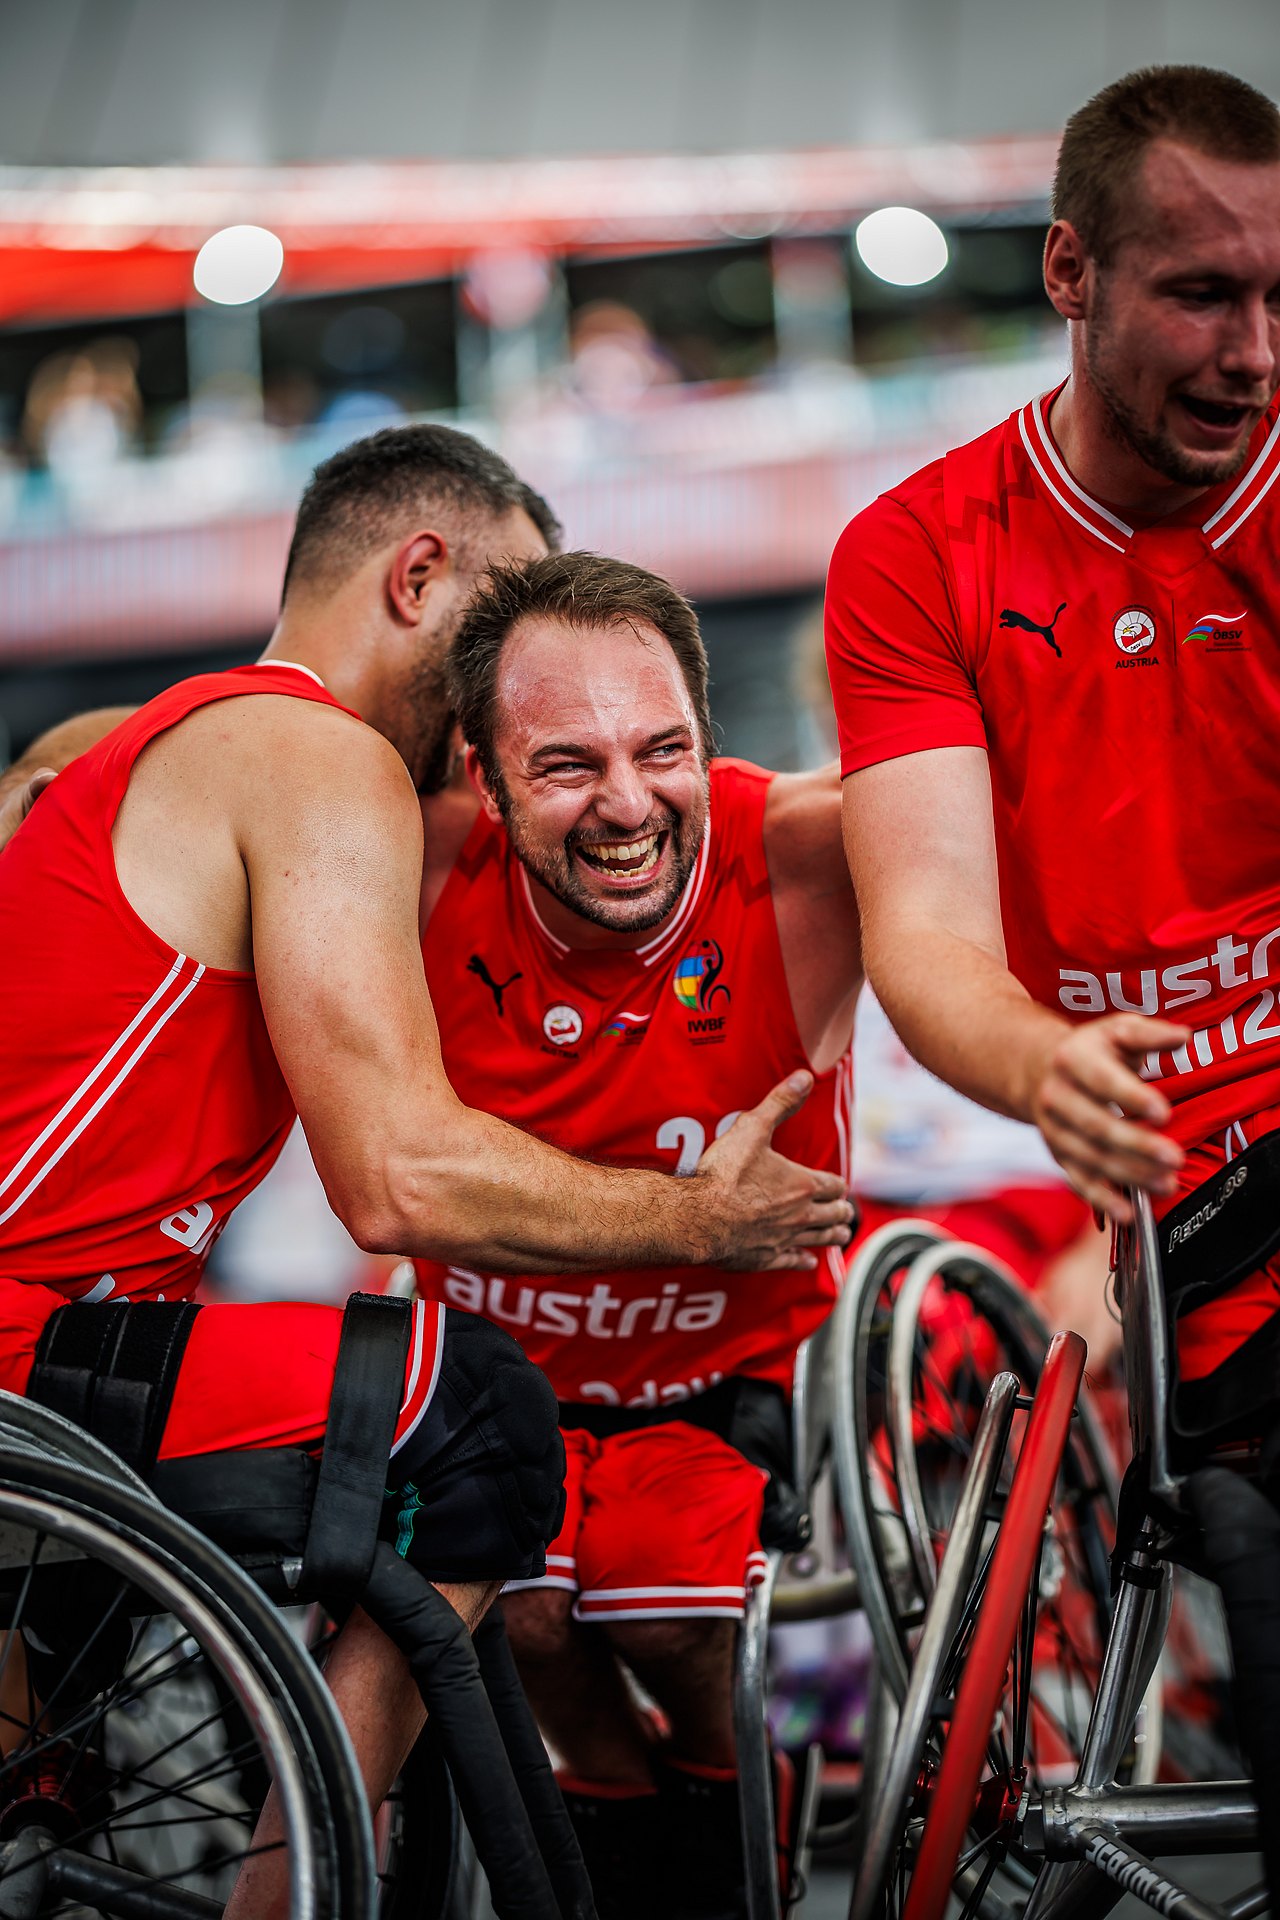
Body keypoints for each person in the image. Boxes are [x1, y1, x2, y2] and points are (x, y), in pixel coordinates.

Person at [0, 425, 851, 1916]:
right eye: (506, 616)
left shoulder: (170, 741)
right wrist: (697, 1215)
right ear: (422, 577)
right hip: (45, 1340)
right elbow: (393, 1180)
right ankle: (299, 1886)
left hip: (76, 1347)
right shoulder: (318, 756)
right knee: (475, 1421)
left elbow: (52, 757)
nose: (509, 681)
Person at [825, 58, 1280, 1894]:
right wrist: (1048, 1065)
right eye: (1202, 293)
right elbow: (927, 940)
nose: (1254, 353)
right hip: (1198, 1226)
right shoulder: (920, 559)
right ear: (1071, 272)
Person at [400, 548, 860, 1918]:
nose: (627, 803)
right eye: (566, 764)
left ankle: (736, 1844)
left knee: (661, 1613)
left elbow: (1020, 777)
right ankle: (650, 1864)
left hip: (732, 1377)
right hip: (502, 1379)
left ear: (706, 740)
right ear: (481, 775)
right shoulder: (408, 866)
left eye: (662, 750)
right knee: (529, 1617)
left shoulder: (801, 850)